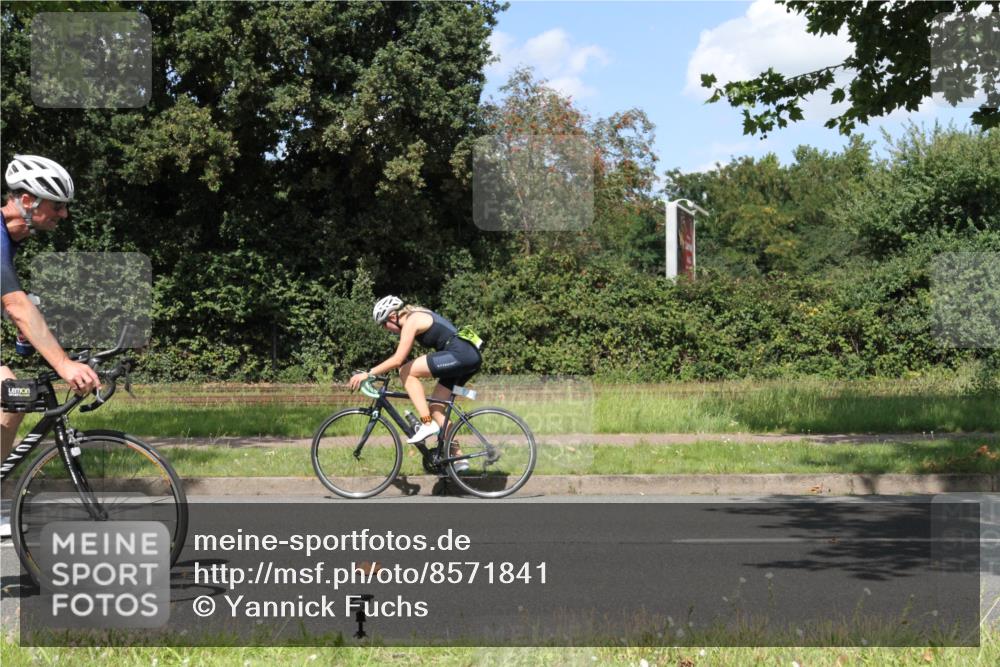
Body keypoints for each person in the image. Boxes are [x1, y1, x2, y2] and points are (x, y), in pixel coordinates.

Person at [1, 155, 102, 537]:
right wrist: (64, 366)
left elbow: (15, 306)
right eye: (56, 205)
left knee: (10, 398)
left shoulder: (8, 240)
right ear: (27, 201)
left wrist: (36, 341)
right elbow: (15, 304)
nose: (63, 215)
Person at [350, 296, 482, 455]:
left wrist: (368, 373)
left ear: (393, 317)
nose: (386, 329)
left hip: (460, 354)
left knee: (405, 371)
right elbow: (402, 357)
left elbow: (398, 360)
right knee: (436, 409)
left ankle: (427, 424)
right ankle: (459, 459)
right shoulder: (417, 315)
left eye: (384, 324)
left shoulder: (412, 321)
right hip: (465, 355)